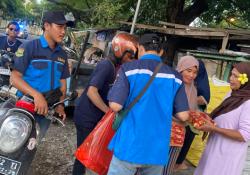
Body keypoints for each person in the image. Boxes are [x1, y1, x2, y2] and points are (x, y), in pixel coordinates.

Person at [107, 34, 189, 175]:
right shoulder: (175, 77)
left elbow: (115, 105)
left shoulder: (128, 69)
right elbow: (183, 115)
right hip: (156, 150)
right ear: (161, 52)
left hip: (129, 145)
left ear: (140, 48)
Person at [72, 32, 139, 175]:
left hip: (94, 117)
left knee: (91, 155)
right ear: (119, 50)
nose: (131, 60)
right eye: (130, 56)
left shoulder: (117, 67)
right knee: (84, 156)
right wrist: (108, 111)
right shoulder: (106, 65)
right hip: (87, 117)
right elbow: (92, 92)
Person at [10, 11, 70, 139]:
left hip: (47, 112)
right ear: (47, 26)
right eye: (59, 27)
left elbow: (63, 84)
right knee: (13, 142)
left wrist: (60, 105)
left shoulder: (62, 55)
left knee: (34, 144)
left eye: (65, 28)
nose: (63, 31)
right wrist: (36, 95)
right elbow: (14, 78)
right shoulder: (29, 47)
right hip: (26, 107)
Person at [194, 62, 250, 175]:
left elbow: (244, 135)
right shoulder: (232, 94)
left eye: (236, 76)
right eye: (231, 74)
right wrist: (203, 116)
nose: (231, 79)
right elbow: (222, 115)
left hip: (228, 156)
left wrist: (214, 129)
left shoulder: (248, 103)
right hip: (214, 150)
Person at [174, 56, 208, 171]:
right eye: (189, 71)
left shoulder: (193, 89)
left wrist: (199, 116)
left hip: (179, 134)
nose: (192, 75)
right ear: (181, 68)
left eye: (195, 72)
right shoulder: (172, 84)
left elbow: (191, 109)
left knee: (170, 164)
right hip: (166, 132)